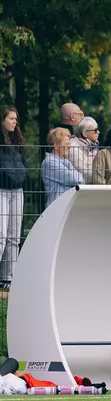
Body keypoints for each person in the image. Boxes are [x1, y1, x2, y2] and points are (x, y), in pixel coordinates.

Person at [0, 106, 26, 289]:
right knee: (1, 235)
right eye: (11, 118)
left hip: (17, 190)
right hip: (1, 189)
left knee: (14, 237)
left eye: (16, 119)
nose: (14, 121)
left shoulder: (17, 142)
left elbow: (23, 162)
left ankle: (9, 278)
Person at [41, 128, 84, 207]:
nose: (69, 146)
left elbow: (81, 180)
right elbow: (74, 179)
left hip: (66, 205)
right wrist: (76, 177)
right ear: (56, 145)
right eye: (66, 144)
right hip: (56, 207)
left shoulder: (66, 161)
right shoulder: (49, 162)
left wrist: (77, 178)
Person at [68, 116, 99, 183]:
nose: (98, 132)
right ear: (85, 133)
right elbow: (83, 174)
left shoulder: (93, 146)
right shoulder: (73, 148)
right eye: (95, 130)